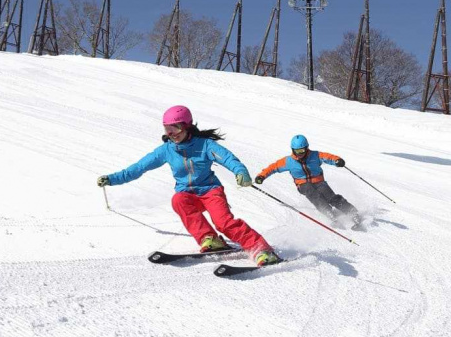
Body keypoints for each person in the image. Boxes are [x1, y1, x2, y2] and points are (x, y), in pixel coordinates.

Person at [97, 105, 280, 266]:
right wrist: (112, 179)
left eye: (174, 127)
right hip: (187, 194)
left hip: (210, 191)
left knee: (223, 223)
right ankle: (209, 239)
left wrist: (240, 172)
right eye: (167, 128)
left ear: (186, 125)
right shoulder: (166, 150)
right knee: (178, 200)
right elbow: (138, 168)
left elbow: (227, 158)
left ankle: (261, 249)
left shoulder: (205, 145)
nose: (171, 133)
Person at [255, 135, 365, 231]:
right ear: (293, 150)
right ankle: (328, 212)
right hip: (302, 184)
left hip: (319, 181)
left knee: (330, 196)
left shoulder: (315, 155)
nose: (300, 154)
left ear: (307, 148)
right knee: (312, 193)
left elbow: (328, 157)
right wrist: (262, 176)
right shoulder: (288, 161)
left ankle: (352, 212)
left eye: (302, 151)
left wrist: (337, 160)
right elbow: (273, 168)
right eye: (297, 151)